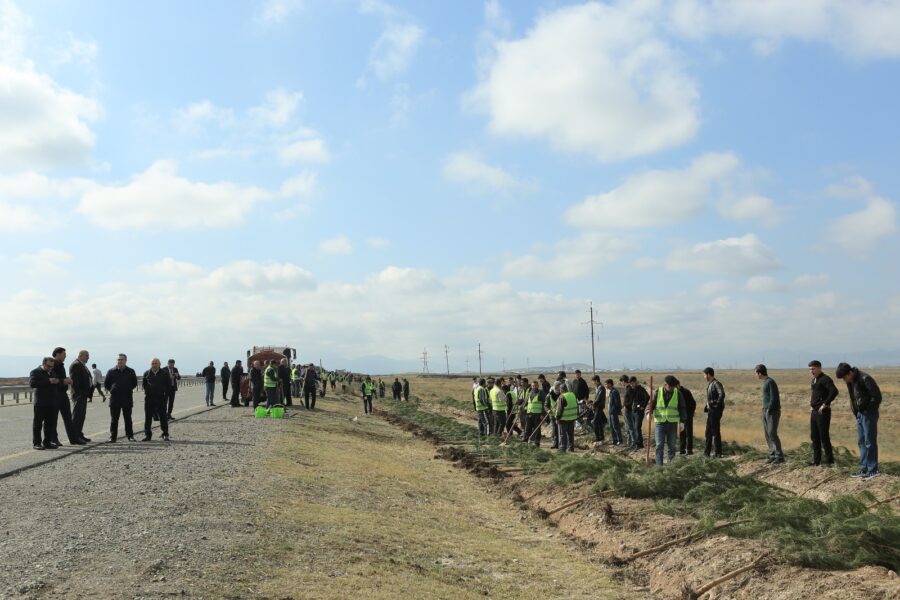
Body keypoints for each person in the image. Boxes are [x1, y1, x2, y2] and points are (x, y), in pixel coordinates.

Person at [835, 363, 881, 481]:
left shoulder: (865, 378)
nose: (844, 381)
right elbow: (854, 398)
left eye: (845, 378)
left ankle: (873, 470)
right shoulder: (851, 380)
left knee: (869, 442)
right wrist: (857, 412)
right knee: (861, 442)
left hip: (868, 414)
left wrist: (867, 410)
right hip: (860, 415)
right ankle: (864, 468)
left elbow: (877, 397)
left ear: (850, 373)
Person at [647, 375, 685, 465]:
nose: (671, 388)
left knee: (671, 446)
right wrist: (648, 413)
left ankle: (670, 467)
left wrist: (682, 422)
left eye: (673, 386)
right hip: (660, 423)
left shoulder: (678, 393)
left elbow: (682, 408)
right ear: (665, 384)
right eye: (670, 386)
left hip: (672, 424)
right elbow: (650, 404)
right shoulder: (657, 392)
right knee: (659, 445)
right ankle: (659, 467)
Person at [808, 360, 838, 467]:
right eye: (810, 369)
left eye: (813, 368)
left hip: (823, 412)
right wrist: (812, 405)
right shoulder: (814, 380)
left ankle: (829, 461)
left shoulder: (825, 379)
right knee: (814, 436)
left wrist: (825, 404)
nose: (811, 371)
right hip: (814, 412)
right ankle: (816, 461)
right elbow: (816, 394)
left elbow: (834, 391)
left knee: (824, 437)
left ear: (819, 368)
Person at [50, 347, 80, 446]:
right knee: (53, 418)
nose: (65, 356)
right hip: (54, 395)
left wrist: (66, 380)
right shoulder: (52, 365)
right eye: (64, 354)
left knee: (68, 418)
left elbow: (61, 378)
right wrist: (64, 381)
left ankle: (74, 439)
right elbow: (52, 380)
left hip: (63, 394)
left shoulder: (61, 365)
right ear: (57, 354)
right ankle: (54, 439)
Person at [105, 353, 138, 442]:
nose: (120, 361)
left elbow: (134, 383)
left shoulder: (131, 371)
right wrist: (113, 389)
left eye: (122, 359)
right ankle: (113, 437)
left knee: (128, 419)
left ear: (125, 361)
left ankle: (130, 436)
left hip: (127, 398)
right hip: (115, 399)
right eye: (118, 360)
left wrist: (126, 389)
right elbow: (107, 384)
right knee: (114, 419)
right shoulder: (111, 371)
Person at [755, 364, 784, 464]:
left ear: (759, 372)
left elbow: (774, 397)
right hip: (765, 410)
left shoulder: (770, 382)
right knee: (767, 433)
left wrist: (769, 409)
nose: (756, 375)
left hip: (772, 411)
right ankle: (772, 454)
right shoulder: (765, 382)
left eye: (756, 373)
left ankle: (779, 456)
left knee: (772, 432)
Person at [29, 357, 59, 449]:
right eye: (48, 366)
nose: (50, 368)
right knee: (38, 423)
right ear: (43, 363)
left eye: (52, 367)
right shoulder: (35, 372)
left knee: (49, 423)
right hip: (41, 402)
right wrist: (48, 381)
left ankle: (47, 442)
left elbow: (56, 383)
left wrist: (58, 381)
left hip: (51, 402)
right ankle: (37, 443)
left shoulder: (52, 372)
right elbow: (32, 384)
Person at [142, 358, 171, 441]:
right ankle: (148, 435)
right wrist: (148, 391)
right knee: (148, 417)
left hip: (161, 398)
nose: (154, 365)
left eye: (156, 363)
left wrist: (165, 396)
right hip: (149, 398)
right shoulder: (146, 373)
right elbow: (144, 385)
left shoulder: (165, 373)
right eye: (153, 363)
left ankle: (165, 434)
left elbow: (168, 386)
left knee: (163, 417)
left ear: (159, 364)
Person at [68, 349, 93, 443]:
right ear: (81, 355)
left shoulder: (82, 365)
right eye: (87, 355)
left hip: (83, 395)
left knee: (81, 416)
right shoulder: (76, 365)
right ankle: (75, 437)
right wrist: (79, 394)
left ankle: (79, 434)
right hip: (79, 395)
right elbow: (75, 382)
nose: (88, 357)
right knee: (77, 416)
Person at [703, 367, 725, 458]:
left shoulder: (716, 383)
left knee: (715, 432)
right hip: (711, 411)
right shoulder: (711, 384)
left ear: (708, 374)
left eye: (704, 375)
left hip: (715, 411)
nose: (704, 377)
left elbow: (722, 394)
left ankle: (718, 453)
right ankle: (706, 453)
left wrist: (715, 404)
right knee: (708, 432)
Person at [556, 383, 578, 453]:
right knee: (570, 434)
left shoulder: (562, 397)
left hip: (563, 419)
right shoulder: (572, 395)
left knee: (562, 434)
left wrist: (557, 418)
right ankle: (571, 448)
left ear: (561, 389)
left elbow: (560, 409)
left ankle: (562, 448)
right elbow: (576, 405)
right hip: (572, 418)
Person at [523, 380, 546, 447]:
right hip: (529, 413)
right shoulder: (529, 393)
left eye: (535, 386)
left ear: (538, 386)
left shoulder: (541, 393)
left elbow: (544, 404)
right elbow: (526, 403)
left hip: (537, 414)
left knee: (537, 429)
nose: (534, 387)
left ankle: (537, 442)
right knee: (527, 428)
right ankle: (527, 440)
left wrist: (542, 414)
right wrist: (522, 409)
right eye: (533, 386)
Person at [629, 377, 648, 450]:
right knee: (635, 427)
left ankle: (639, 444)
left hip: (639, 412)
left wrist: (643, 406)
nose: (631, 385)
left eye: (632, 383)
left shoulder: (641, 389)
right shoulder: (633, 389)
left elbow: (647, 397)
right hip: (634, 411)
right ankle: (637, 443)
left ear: (635, 382)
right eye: (630, 384)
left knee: (637, 427)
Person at [677, 382, 696, 455]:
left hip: (688, 415)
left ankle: (689, 450)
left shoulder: (685, 391)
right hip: (681, 416)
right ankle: (682, 450)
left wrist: (691, 412)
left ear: (678, 385)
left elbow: (693, 403)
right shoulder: (676, 392)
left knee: (688, 432)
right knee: (682, 432)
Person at [605, 379, 623, 446]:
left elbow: (617, 403)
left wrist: (615, 410)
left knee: (616, 426)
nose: (606, 385)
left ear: (610, 384)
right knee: (611, 426)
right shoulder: (611, 391)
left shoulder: (615, 391)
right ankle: (614, 440)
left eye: (606, 384)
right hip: (610, 412)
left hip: (613, 412)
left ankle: (620, 440)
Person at [590, 375, 607, 443]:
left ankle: (598, 437)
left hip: (599, 407)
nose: (593, 383)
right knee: (599, 422)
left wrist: (593, 404)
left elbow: (599, 398)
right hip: (597, 407)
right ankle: (601, 437)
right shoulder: (598, 387)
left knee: (595, 422)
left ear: (596, 380)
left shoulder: (601, 388)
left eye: (593, 381)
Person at [621, 375, 635, 447]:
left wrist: (626, 406)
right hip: (627, 409)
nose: (621, 383)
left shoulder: (629, 389)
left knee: (630, 426)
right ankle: (629, 442)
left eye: (621, 382)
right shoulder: (628, 388)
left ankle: (633, 441)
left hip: (628, 410)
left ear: (623, 381)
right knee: (628, 426)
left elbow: (631, 400)